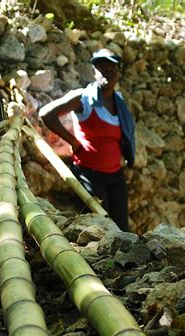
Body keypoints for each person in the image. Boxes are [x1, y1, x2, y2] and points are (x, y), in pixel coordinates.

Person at [39, 48, 135, 231]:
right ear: (94, 72)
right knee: (100, 227)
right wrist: (73, 141)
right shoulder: (83, 98)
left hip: (115, 174)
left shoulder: (119, 101)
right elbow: (46, 114)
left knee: (122, 227)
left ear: (118, 72)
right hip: (90, 174)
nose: (108, 74)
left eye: (112, 70)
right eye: (102, 70)